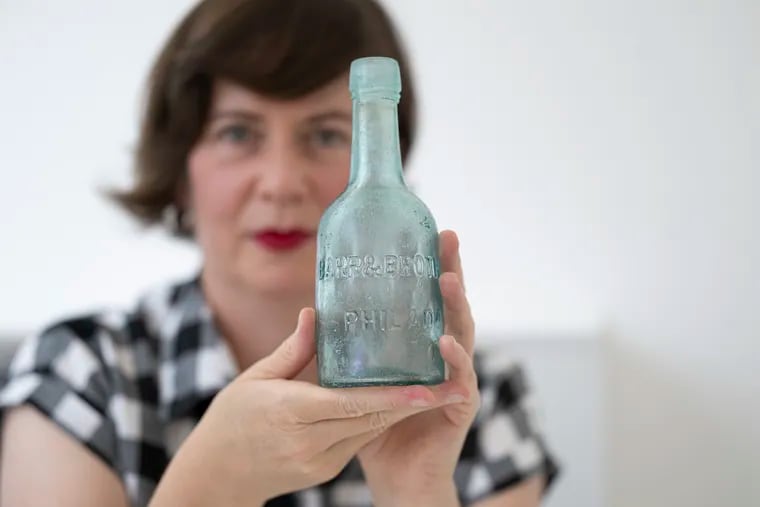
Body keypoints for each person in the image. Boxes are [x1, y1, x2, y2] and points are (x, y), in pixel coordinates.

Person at [0, 0, 558, 505]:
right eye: (238, 133)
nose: (281, 182)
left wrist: (414, 488)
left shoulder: (470, 397)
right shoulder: (80, 376)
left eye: (325, 134)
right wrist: (212, 483)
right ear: (179, 169)